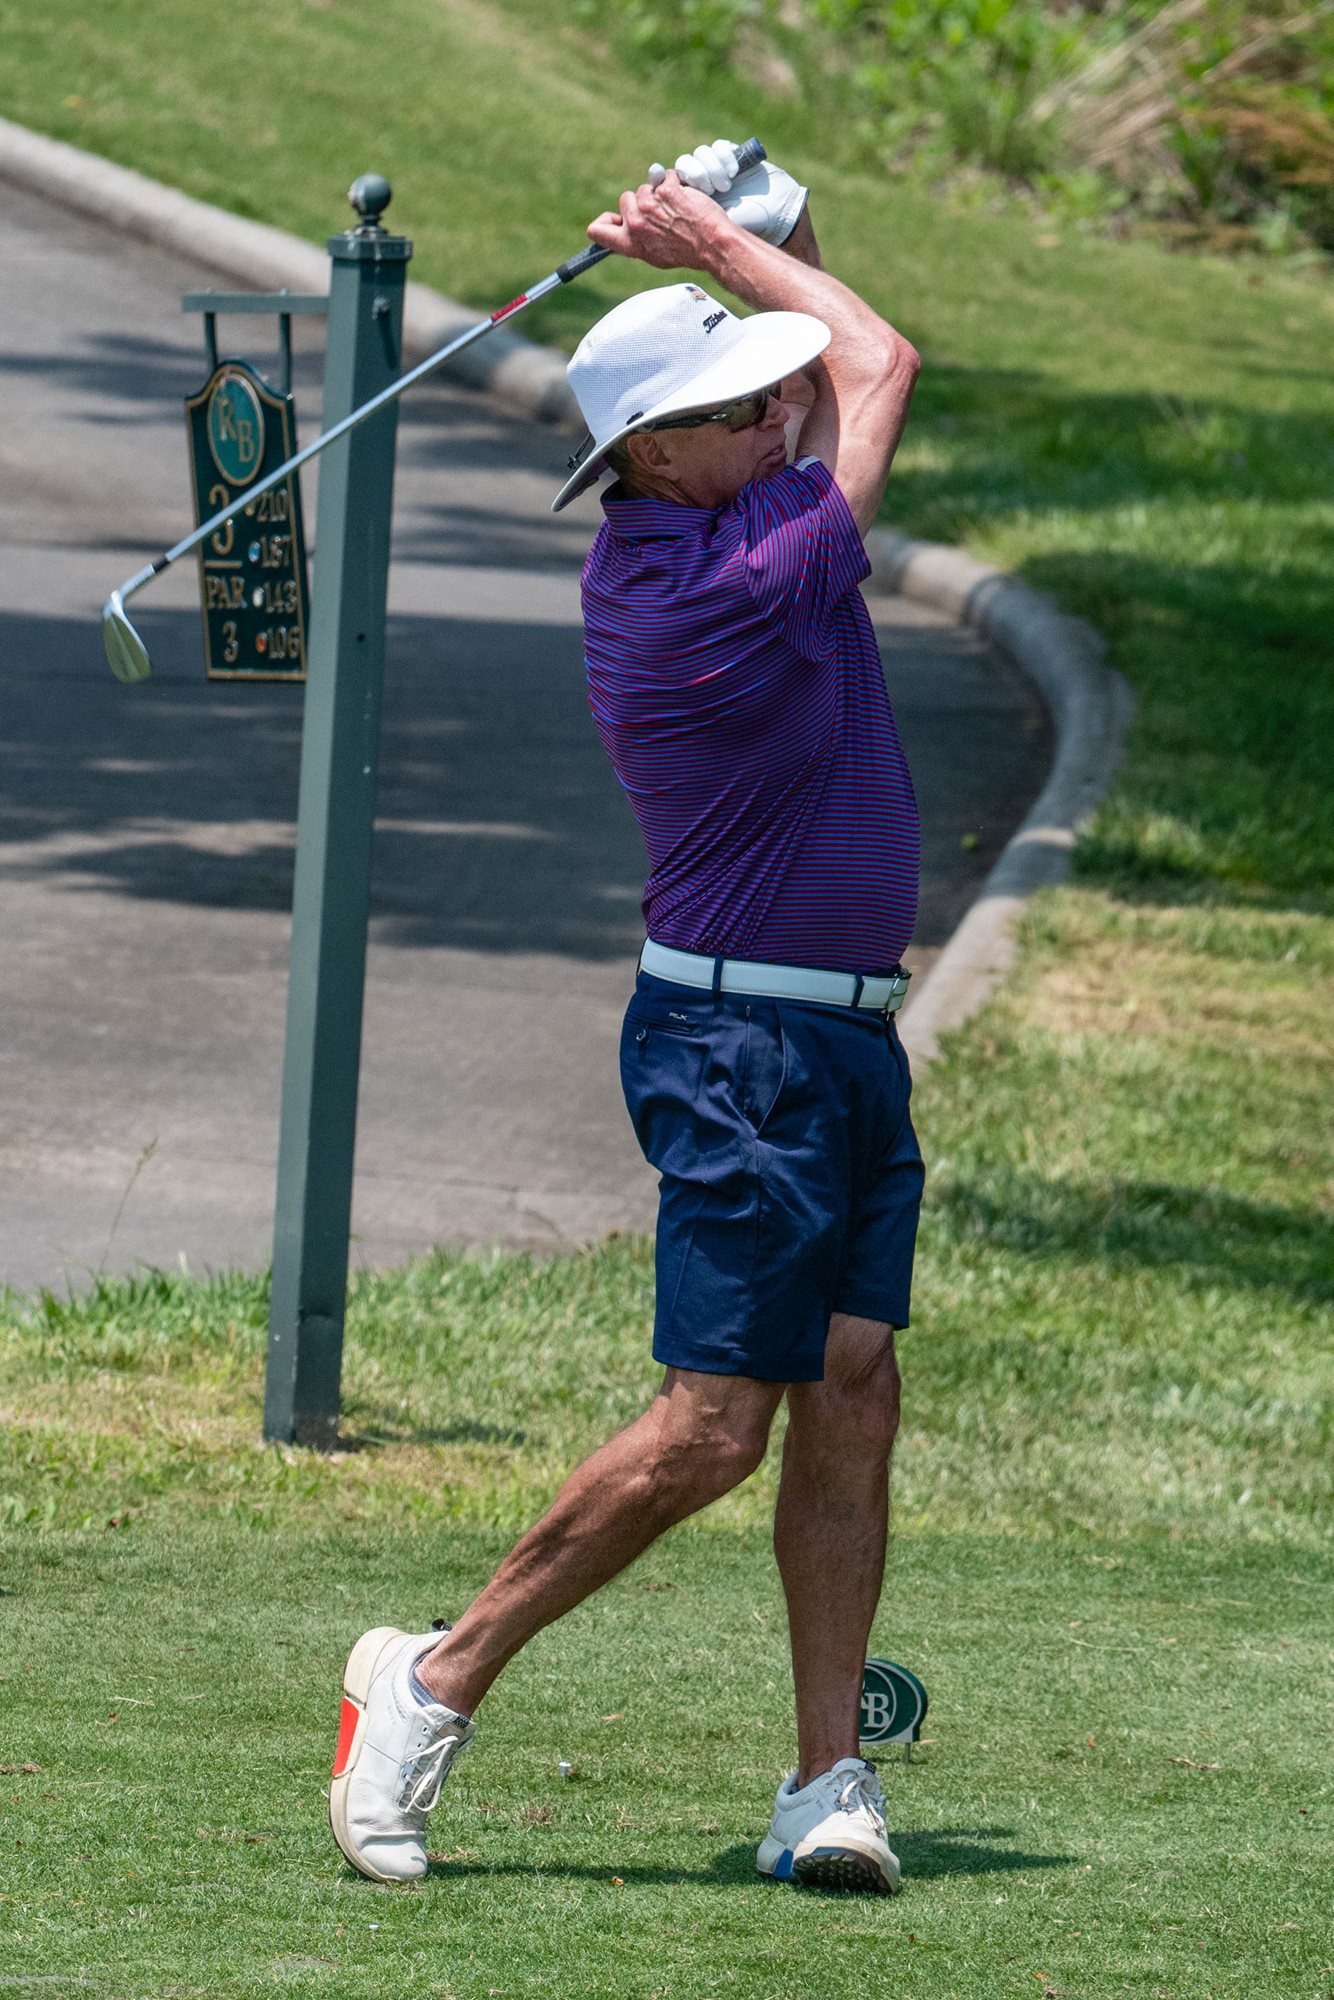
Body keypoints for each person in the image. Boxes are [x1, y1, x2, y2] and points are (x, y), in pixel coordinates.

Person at [328, 139, 924, 1897]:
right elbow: (874, 361)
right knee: (711, 1429)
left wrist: (744, 223)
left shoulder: (735, 501)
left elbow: (820, 359)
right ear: (651, 453)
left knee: (850, 1385)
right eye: (738, 408)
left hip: (839, 1041)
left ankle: (824, 1782)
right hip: (742, 1052)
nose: (776, 412)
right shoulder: (716, 589)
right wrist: (714, 247)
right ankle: (430, 1680)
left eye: (765, 400)